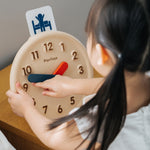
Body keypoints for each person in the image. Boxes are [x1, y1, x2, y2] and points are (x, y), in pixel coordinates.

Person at [6, 0, 150, 149]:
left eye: (89, 36)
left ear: (102, 54)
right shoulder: (144, 80)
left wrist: (27, 109)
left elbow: (55, 136)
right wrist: (73, 85)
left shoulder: (96, 122)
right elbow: (122, 86)